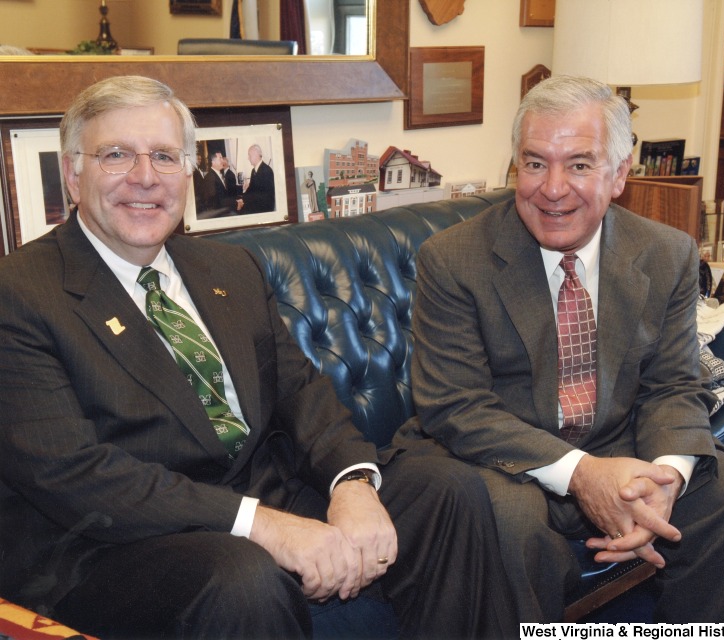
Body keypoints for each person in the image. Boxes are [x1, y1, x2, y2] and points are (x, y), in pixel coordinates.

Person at [0, 75, 518, 639]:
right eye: (117, 155)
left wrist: (352, 482)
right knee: (243, 578)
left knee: (448, 492)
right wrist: (263, 528)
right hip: (117, 544)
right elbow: (76, 476)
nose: (145, 177)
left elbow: (301, 392)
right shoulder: (22, 294)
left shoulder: (228, 269)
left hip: (264, 494)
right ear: (74, 172)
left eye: (166, 157)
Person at [396, 75, 724, 623]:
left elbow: (672, 385)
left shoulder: (667, 253)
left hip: (614, 445)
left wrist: (665, 479)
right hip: (496, 461)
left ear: (620, 174)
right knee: (509, 521)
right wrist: (582, 474)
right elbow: (456, 407)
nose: (552, 188)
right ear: (514, 167)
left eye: (578, 164)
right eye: (533, 163)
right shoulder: (453, 259)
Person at [237, 143, 276, 214]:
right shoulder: (253, 171)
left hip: (264, 208)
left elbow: (263, 195)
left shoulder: (266, 170)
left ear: (256, 154)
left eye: (249, 155)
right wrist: (242, 199)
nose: (248, 158)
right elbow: (251, 189)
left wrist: (244, 200)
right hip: (257, 204)